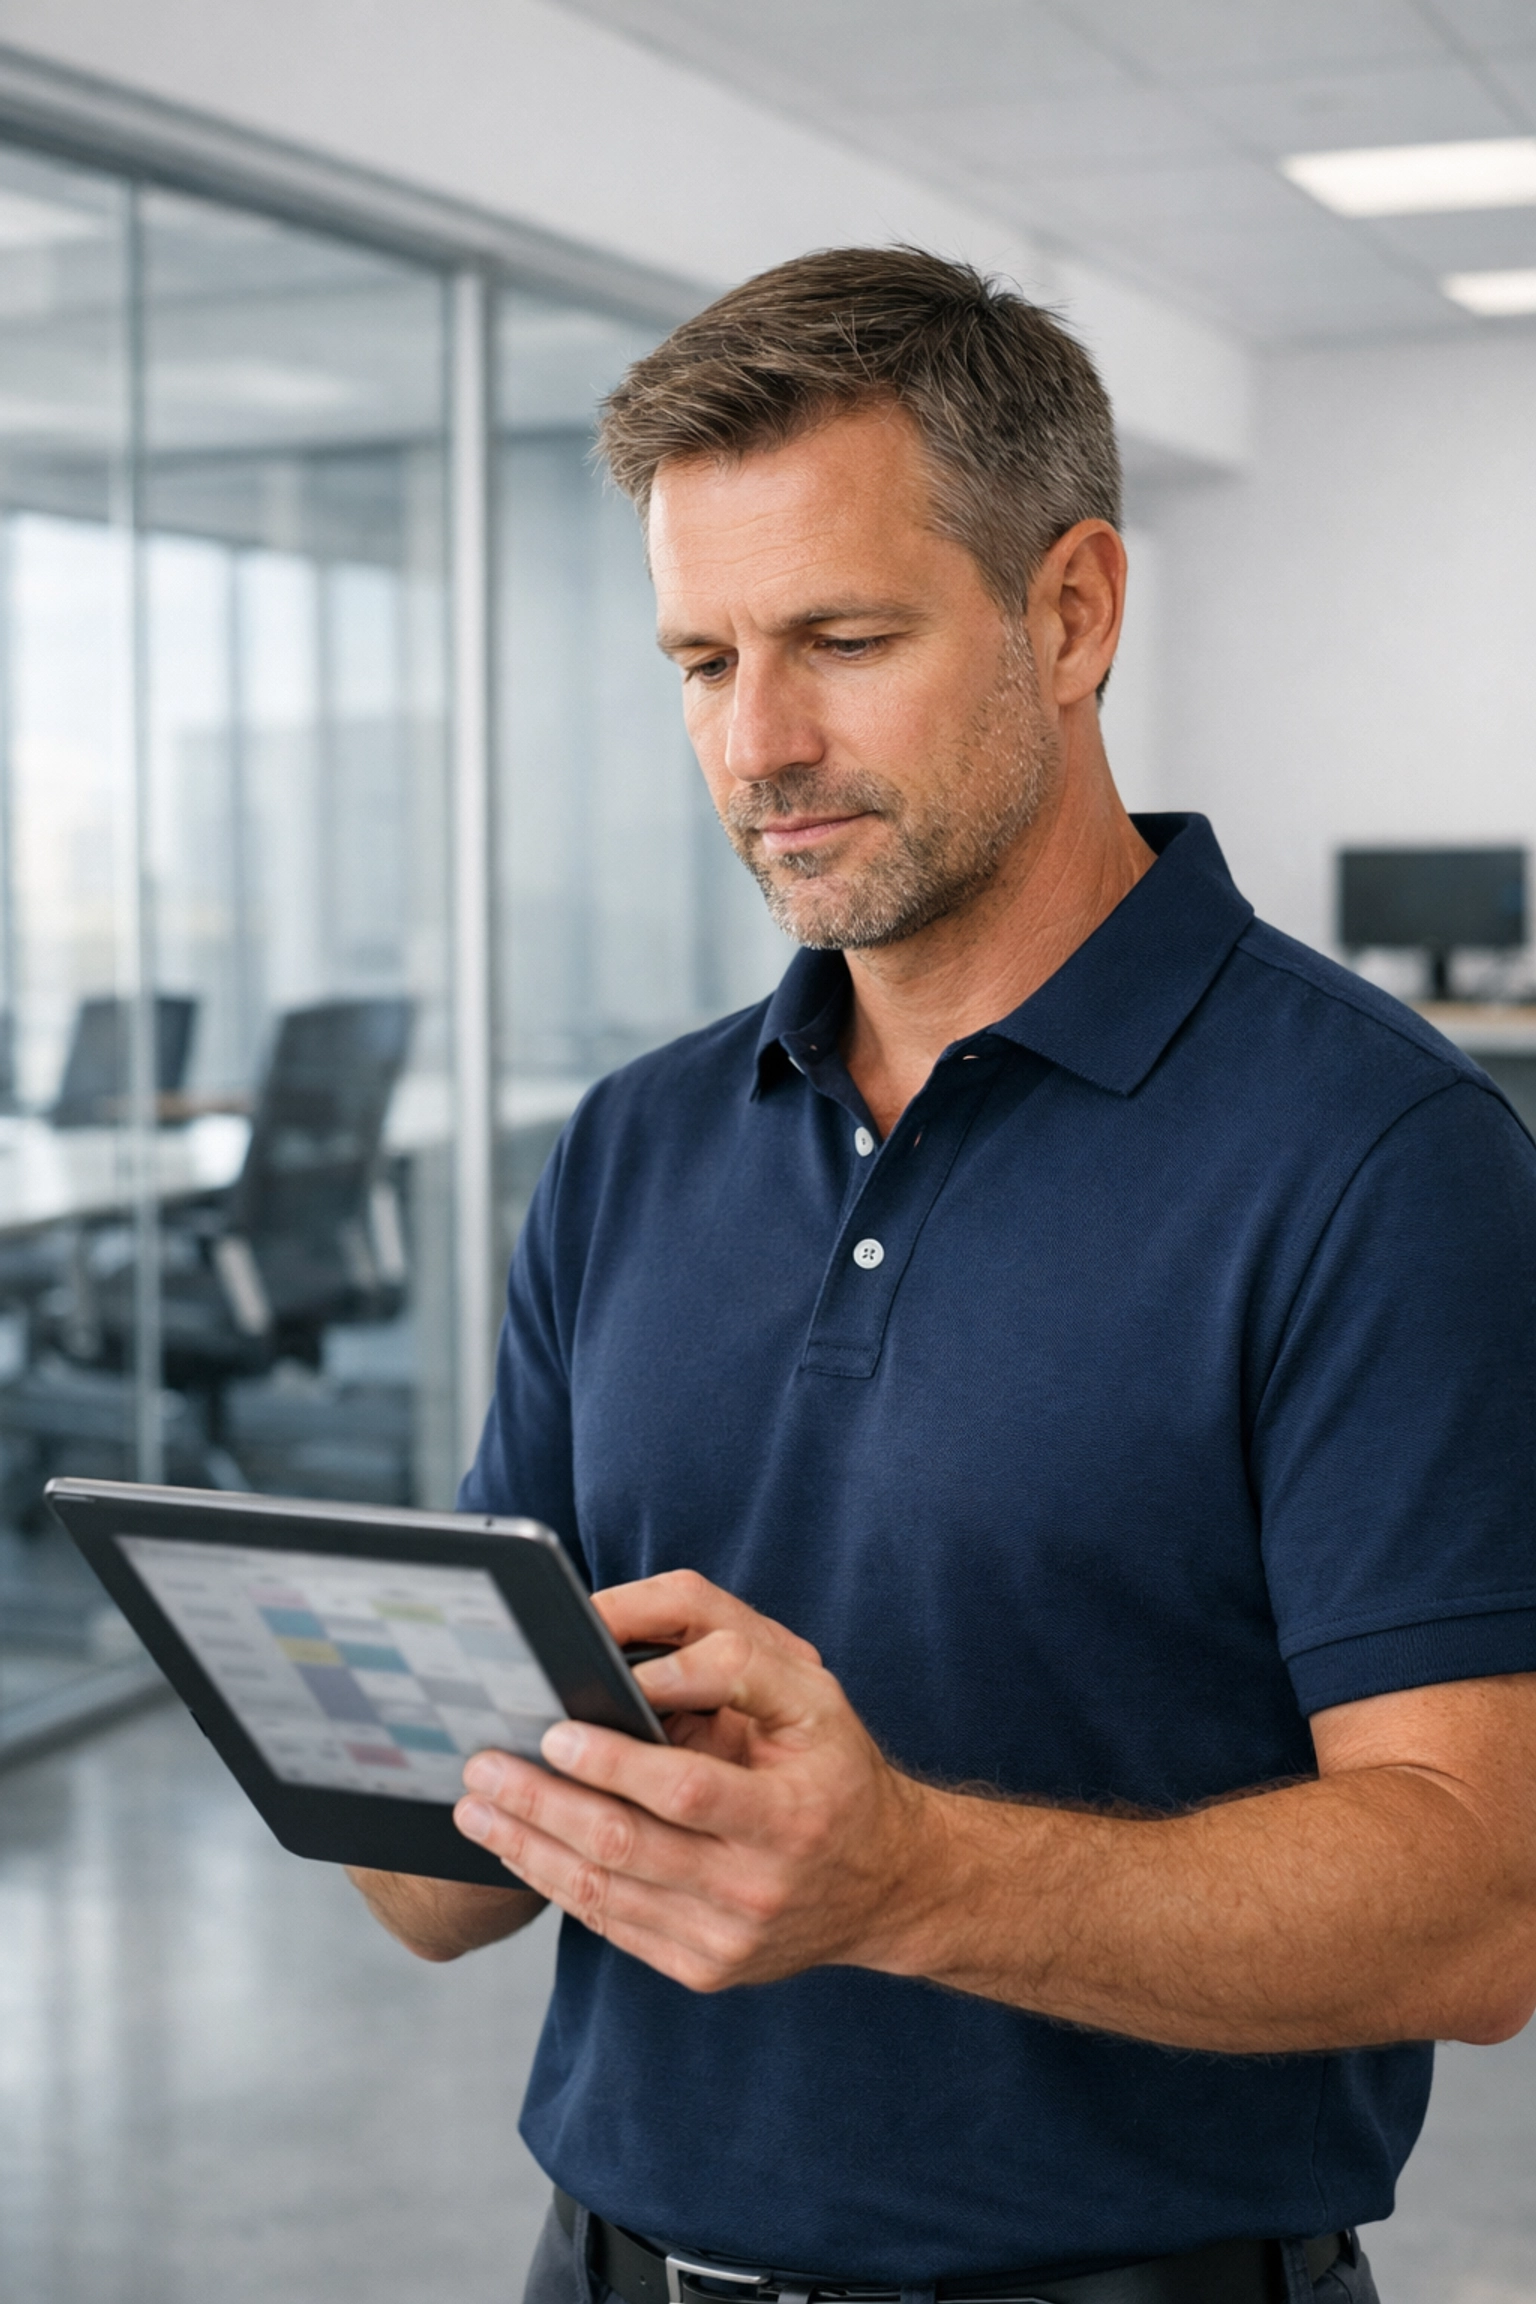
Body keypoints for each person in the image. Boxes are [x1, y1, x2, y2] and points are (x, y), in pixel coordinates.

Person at [349, 248, 1536, 2304]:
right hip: (612, 2265)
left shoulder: (1380, 1157)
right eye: (703, 661)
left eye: (841, 637)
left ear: (1068, 612)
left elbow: (1481, 1905)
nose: (760, 741)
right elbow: (438, 1891)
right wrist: (333, 1714)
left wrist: (905, 1876)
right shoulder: (635, 1143)